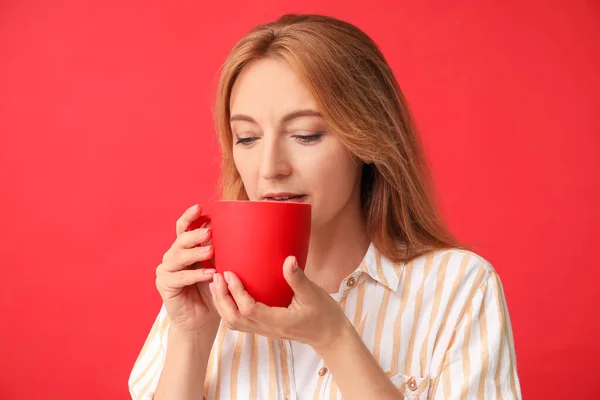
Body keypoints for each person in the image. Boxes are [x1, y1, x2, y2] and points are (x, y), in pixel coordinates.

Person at [128, 13, 522, 400]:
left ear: (366, 139)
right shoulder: (205, 289)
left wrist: (334, 338)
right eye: (247, 138)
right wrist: (191, 337)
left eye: (306, 135)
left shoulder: (458, 287)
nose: (270, 170)